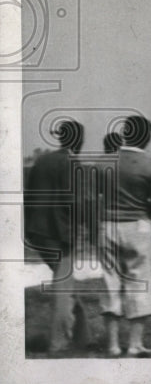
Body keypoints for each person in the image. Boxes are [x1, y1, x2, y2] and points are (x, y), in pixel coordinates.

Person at [99, 115, 151, 357]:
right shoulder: (149, 165)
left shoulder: (103, 162)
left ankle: (112, 345)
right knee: (139, 283)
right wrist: (146, 206)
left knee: (111, 282)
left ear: (125, 133)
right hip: (137, 226)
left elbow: (89, 197)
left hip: (107, 226)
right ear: (146, 137)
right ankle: (134, 344)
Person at [24, 119, 92, 354]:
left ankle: (81, 337)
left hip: (37, 233)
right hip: (59, 236)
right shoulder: (73, 164)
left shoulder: (42, 161)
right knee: (63, 287)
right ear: (79, 141)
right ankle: (59, 343)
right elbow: (77, 203)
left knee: (65, 283)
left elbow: (29, 197)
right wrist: (92, 227)